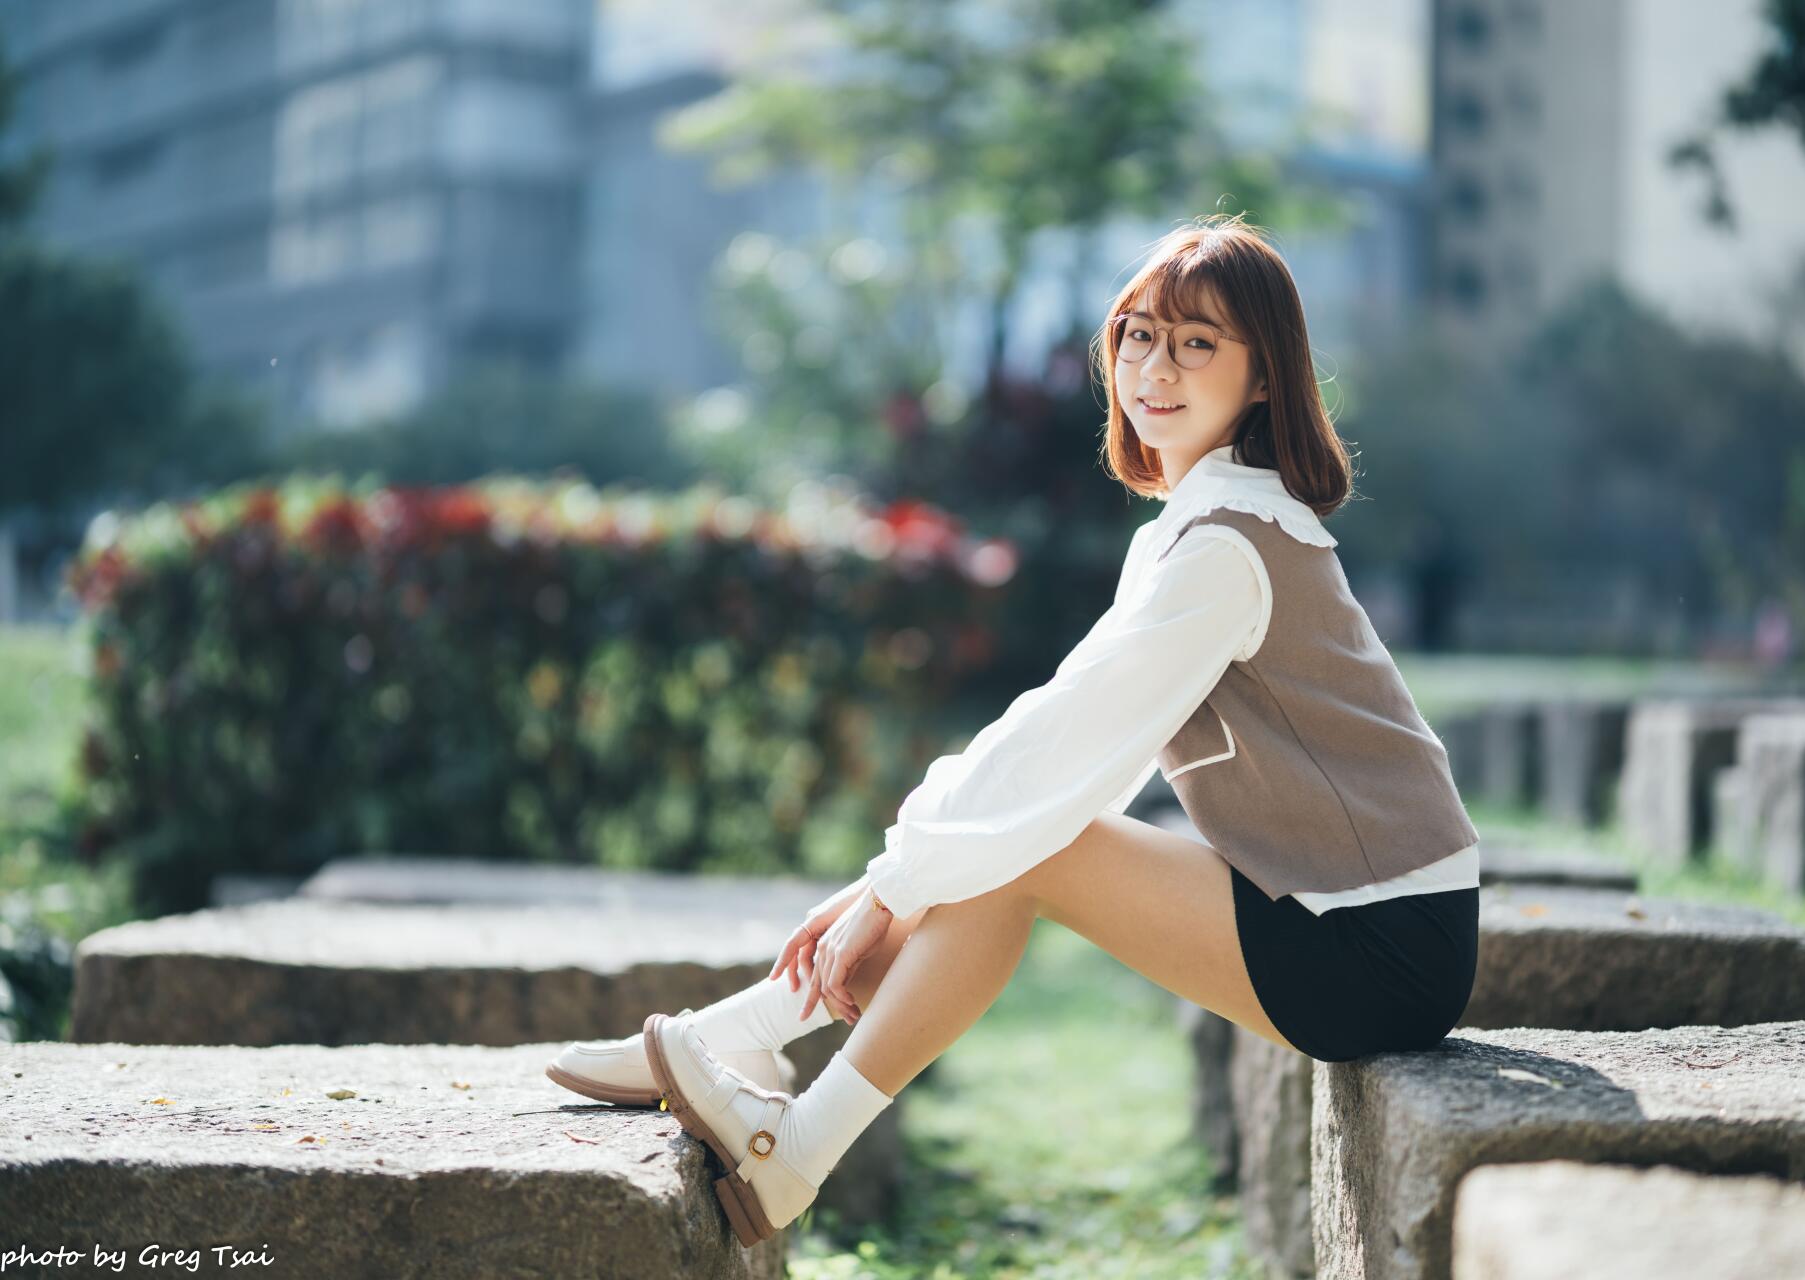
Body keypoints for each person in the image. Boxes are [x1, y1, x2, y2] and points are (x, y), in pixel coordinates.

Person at [544, 213, 1483, 1248]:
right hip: (1350, 923)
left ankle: (795, 1141)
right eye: (1138, 334)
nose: (1154, 368)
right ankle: (746, 1041)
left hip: (1381, 948)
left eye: (1197, 343)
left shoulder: (1231, 547)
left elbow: (1063, 750)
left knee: (1029, 846)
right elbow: (1064, 741)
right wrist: (886, 882)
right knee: (1017, 832)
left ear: (1265, 379)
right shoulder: (1203, 525)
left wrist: (891, 883)